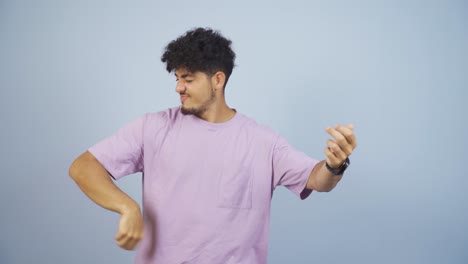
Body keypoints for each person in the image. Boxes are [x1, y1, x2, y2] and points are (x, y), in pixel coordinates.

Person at [69, 27, 357, 264]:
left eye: (189, 79)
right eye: (177, 78)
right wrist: (127, 207)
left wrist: (335, 164)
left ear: (218, 80)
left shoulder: (262, 141)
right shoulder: (152, 127)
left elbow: (318, 180)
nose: (178, 87)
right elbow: (83, 167)